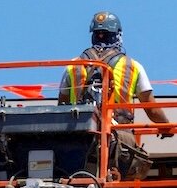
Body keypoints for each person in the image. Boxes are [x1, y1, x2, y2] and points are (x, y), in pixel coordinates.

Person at [59, 11, 171, 178]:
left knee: (79, 182)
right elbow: (152, 110)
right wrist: (167, 126)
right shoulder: (132, 66)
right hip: (118, 141)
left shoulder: (73, 66)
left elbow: (62, 106)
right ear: (118, 36)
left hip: (79, 139)